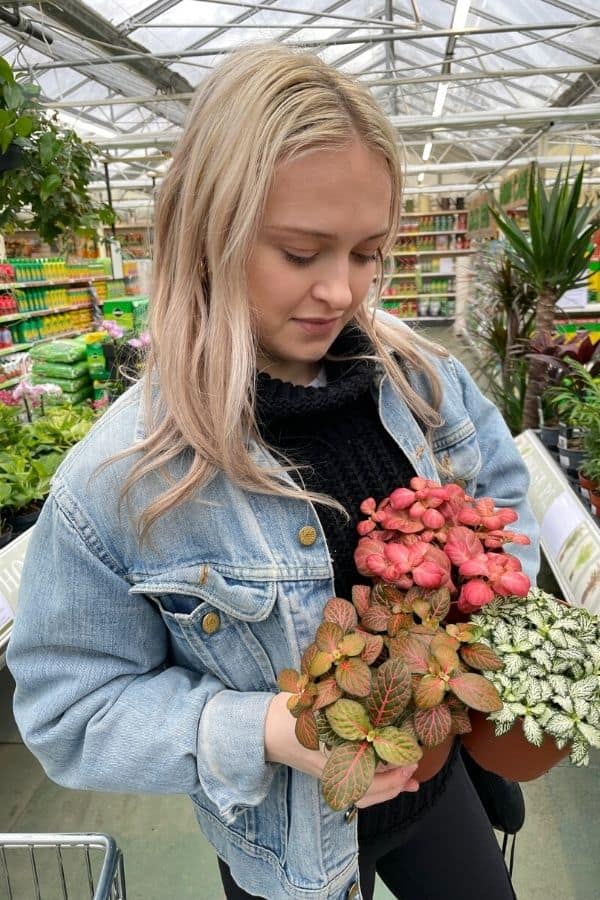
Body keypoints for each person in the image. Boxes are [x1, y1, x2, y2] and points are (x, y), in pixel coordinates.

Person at [8, 44, 539, 900]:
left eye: (367, 252)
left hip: (436, 783)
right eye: (301, 253)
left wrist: (484, 619)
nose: (341, 291)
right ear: (209, 232)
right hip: (286, 842)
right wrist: (267, 728)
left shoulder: (421, 382)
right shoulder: (121, 479)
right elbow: (72, 710)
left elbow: (503, 499)